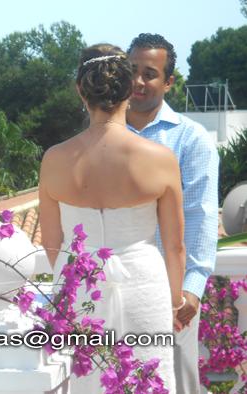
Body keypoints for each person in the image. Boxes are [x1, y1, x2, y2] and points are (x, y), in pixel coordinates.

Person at [39, 44, 185, 392]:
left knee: (87, 381)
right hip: (144, 287)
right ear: (128, 90)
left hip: (80, 288)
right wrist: (175, 302)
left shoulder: (54, 159)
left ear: (80, 91)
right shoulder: (160, 158)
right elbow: (175, 245)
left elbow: (51, 243)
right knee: (150, 379)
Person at [127, 33, 219, 394]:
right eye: (132, 70)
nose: (137, 81)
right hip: (118, 289)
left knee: (177, 382)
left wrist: (190, 291)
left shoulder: (190, 139)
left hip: (171, 296)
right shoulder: (102, 136)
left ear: (168, 82)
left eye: (149, 73)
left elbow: (201, 216)